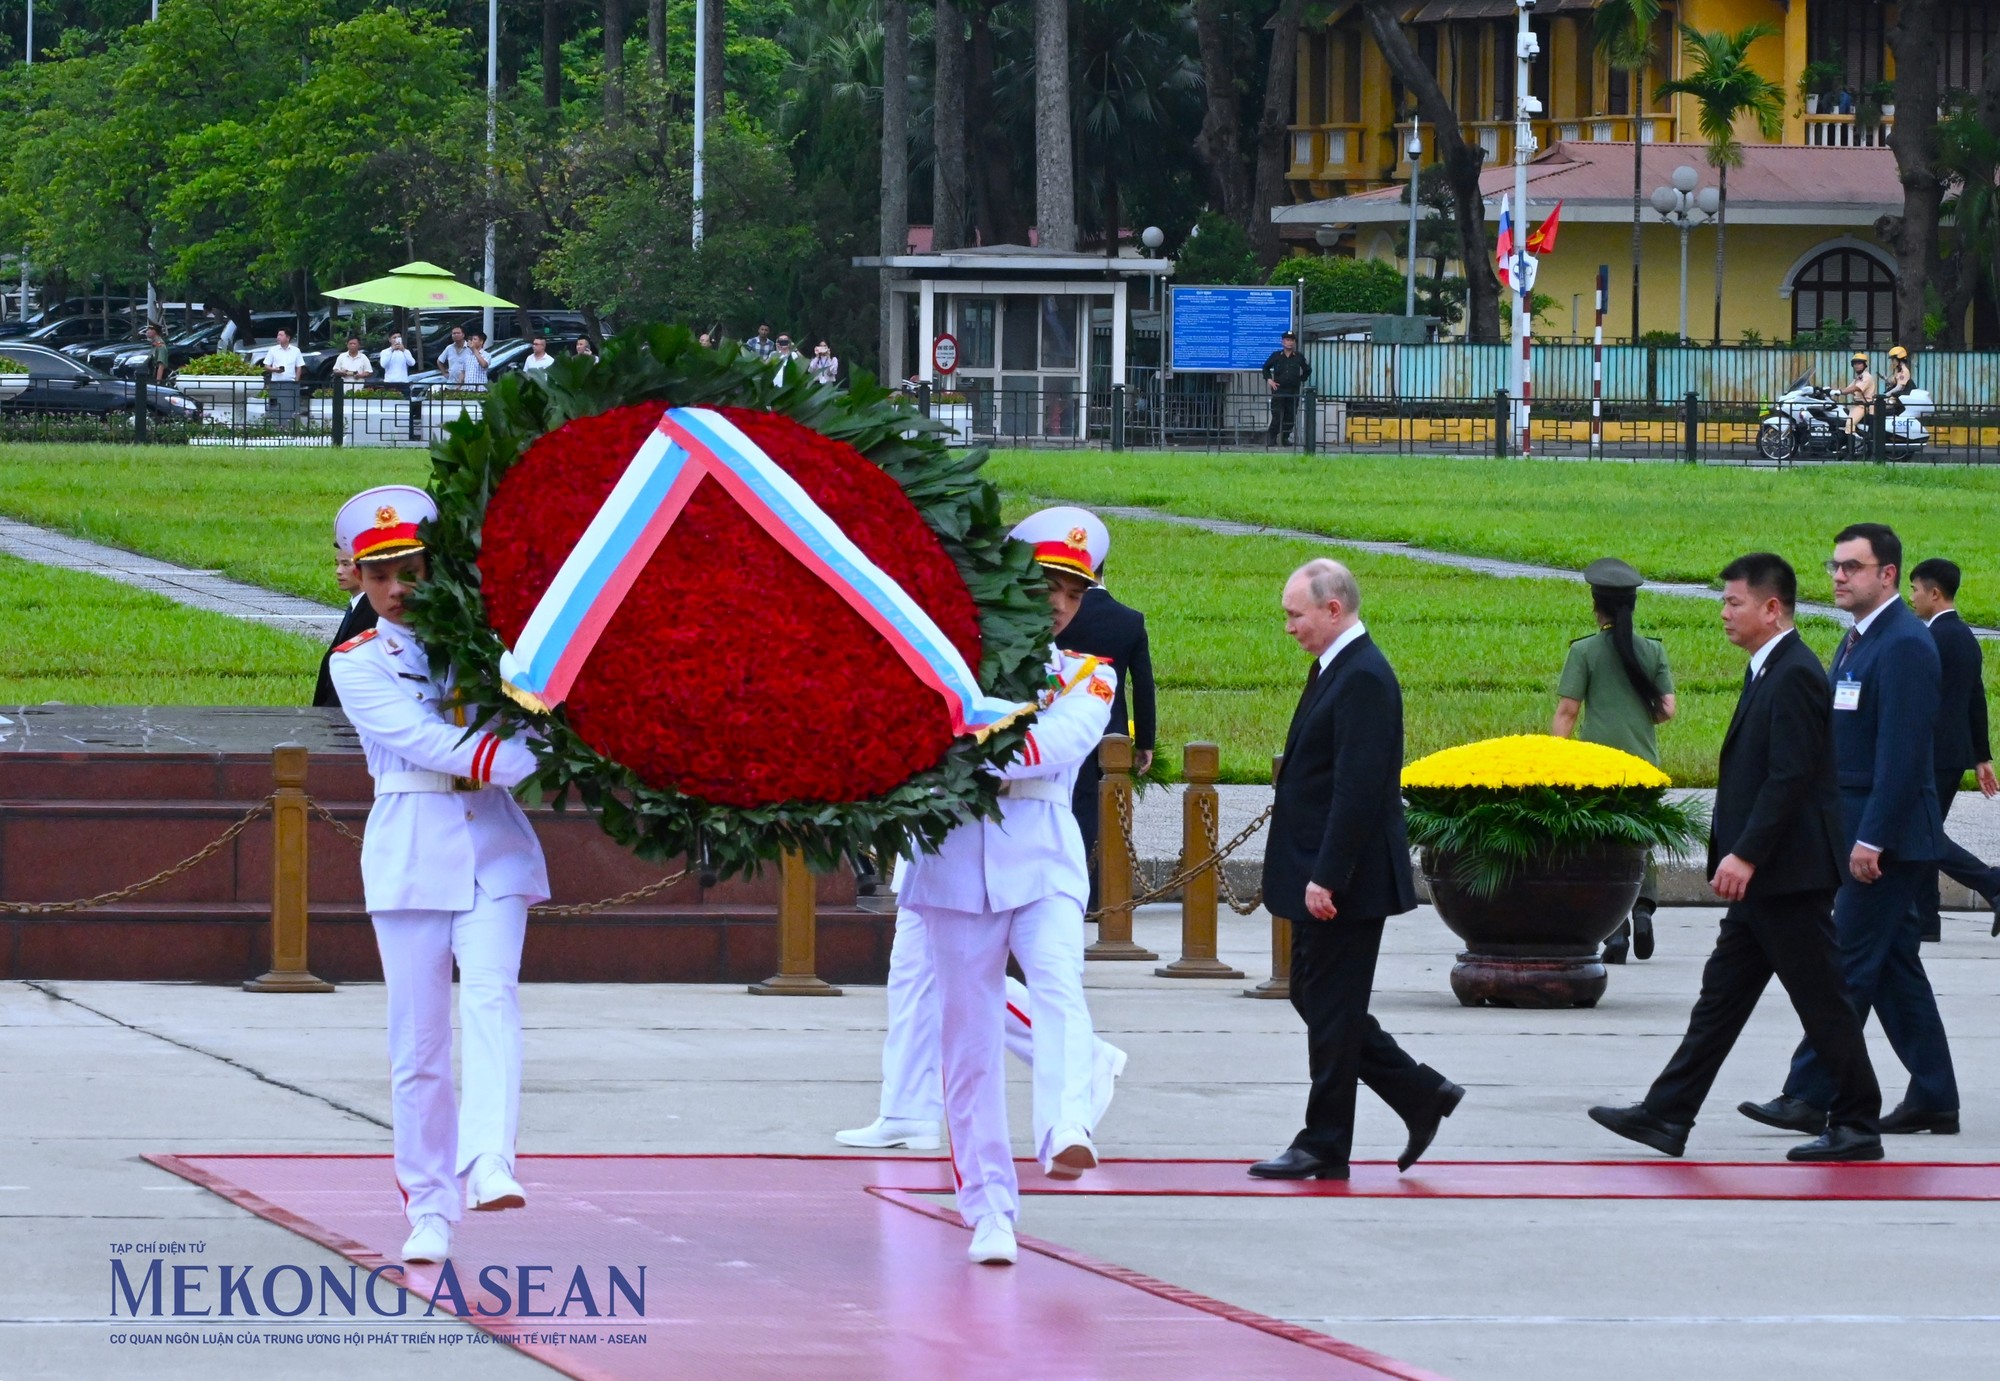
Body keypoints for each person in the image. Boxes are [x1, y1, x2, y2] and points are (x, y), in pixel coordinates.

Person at [1588, 553, 1882, 1163]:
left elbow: (1790, 776)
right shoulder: (1767, 668)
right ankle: (1667, 1115)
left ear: (1771, 609)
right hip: (1765, 882)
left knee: (1823, 1002)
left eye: (1733, 603)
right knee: (1719, 1002)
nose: (1723, 613)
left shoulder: (1795, 672)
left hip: (1787, 875)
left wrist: (1744, 855)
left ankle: (1857, 1124)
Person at [328, 485, 550, 1266]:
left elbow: (530, 701)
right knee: (418, 1043)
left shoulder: (488, 644)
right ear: (352, 577)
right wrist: (518, 756)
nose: (398, 589)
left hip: (491, 843)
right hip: (414, 845)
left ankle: (489, 1158)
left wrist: (547, 729)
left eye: (411, 569)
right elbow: (423, 740)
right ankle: (429, 1206)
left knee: (491, 998)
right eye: (380, 574)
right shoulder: (356, 662)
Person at [897, 512, 1120, 1267]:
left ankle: (1066, 1127)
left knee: (1060, 986)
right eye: (1046, 585)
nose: (1057, 602)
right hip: (956, 865)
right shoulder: (945, 668)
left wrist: (963, 741)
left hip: (1042, 858)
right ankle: (989, 1208)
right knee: (968, 1046)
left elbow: (1051, 745)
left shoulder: (1090, 673)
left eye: (1070, 590)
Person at [1742, 523, 1959, 1139]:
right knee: (1893, 970)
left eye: (1852, 567)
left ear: (1887, 574)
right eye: (1834, 566)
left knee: (1843, 965)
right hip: (1858, 829)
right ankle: (1936, 1096)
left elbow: (1903, 753)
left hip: (1884, 838)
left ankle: (1808, 1093)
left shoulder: (1907, 644)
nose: (1838, 576)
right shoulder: (1858, 641)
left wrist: (1872, 839)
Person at [1251, 559, 1463, 1181]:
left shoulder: (1365, 675)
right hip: (1329, 873)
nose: (1289, 627)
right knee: (1319, 998)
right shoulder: (1336, 668)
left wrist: (1328, 875)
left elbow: (1360, 789)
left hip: (1345, 881)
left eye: (1295, 614)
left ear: (1332, 609)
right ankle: (1419, 1093)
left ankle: (1325, 1142)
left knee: (1327, 1003)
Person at [1552, 558, 1677, 963]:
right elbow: (1667, 710)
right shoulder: (1653, 650)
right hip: (1643, 765)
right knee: (1641, 840)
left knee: (1603, 844)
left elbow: (1568, 712)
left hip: (1596, 767)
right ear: (1633, 607)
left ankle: (1616, 930)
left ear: (1596, 605)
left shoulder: (1584, 651)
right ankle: (1643, 910)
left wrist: (1555, 757)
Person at [1047, 509, 1156, 915]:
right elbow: (1142, 684)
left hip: (1054, 728)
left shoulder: (1057, 613)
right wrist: (1144, 741)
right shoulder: (1129, 620)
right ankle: (1097, 890)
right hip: (1109, 734)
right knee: (1100, 811)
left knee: (1064, 804)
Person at [1908, 557, 2000, 939]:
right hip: (1951, 756)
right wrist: (1981, 756)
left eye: (1914, 590)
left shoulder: (1930, 638)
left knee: (1920, 834)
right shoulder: (1963, 636)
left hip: (1930, 755)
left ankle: (1992, 882)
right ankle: (1925, 921)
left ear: (1934, 593)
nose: (1910, 598)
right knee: (1923, 835)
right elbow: (1974, 699)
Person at [311, 527, 379, 709]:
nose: (338, 571)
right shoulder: (357, 605)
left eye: (346, 564)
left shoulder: (372, 611)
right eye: (337, 564)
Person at [1261, 332, 1310, 447]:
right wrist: (1269, 380)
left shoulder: (1298, 356)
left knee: (1290, 415)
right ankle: (1272, 438)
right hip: (1279, 390)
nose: (1290, 342)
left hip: (1293, 390)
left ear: (1294, 342)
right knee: (1277, 415)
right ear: (1282, 342)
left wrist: (1301, 379)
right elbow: (1265, 368)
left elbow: (1307, 369)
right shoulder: (1276, 355)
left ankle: (1285, 438)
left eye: (1292, 340)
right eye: (1287, 340)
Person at [263, 328, 306, 426]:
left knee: (290, 406)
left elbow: (299, 366)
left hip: (290, 382)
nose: (278, 337)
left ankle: (291, 425)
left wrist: (296, 380)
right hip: (276, 382)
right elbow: (266, 365)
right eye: (278, 335)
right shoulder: (273, 350)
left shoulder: (296, 351)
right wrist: (274, 370)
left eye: (281, 335)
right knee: (276, 406)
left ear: (288, 337)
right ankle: (275, 425)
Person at [1835, 351, 1876, 439]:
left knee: (1849, 424)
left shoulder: (1866, 377)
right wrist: (1832, 390)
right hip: (1856, 405)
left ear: (1864, 365)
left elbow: (1856, 388)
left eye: (1859, 363)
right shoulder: (1859, 377)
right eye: (1855, 363)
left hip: (1863, 406)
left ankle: (1852, 448)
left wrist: (1841, 392)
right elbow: (1848, 388)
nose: (1856, 365)